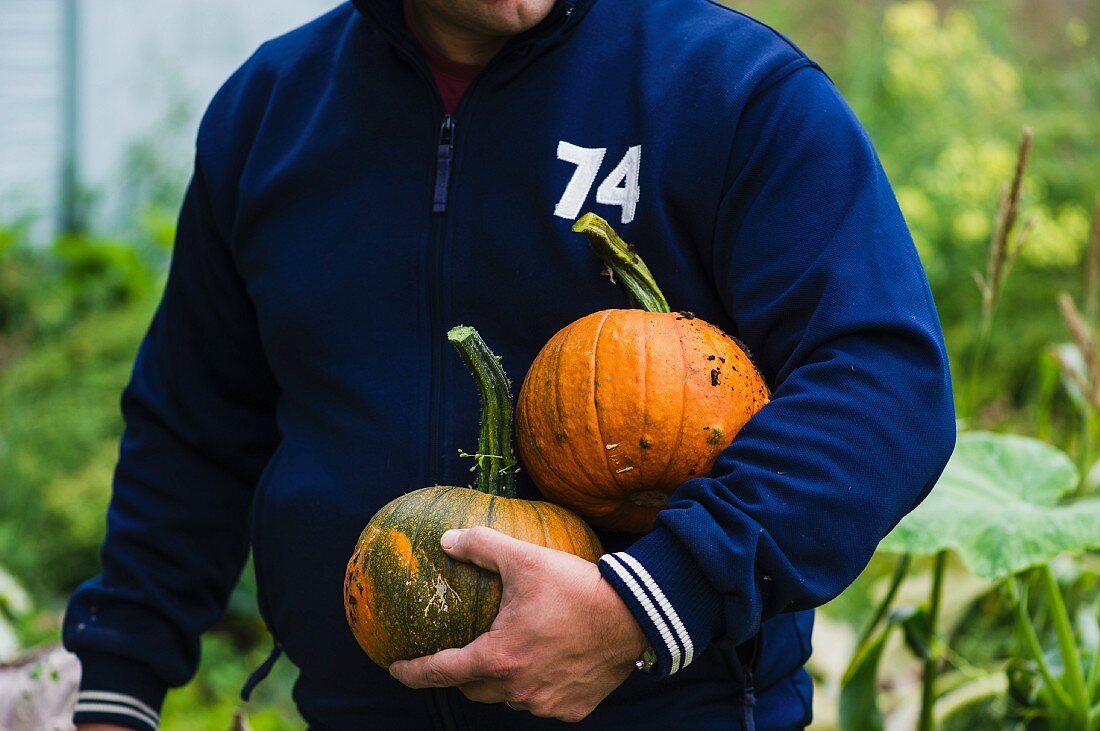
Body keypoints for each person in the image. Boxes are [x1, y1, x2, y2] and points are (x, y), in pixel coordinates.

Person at [64, 0, 956, 729]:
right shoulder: (270, 113)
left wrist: (647, 603)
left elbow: (883, 381)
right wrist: (119, 680)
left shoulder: (728, 90)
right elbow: (194, 430)